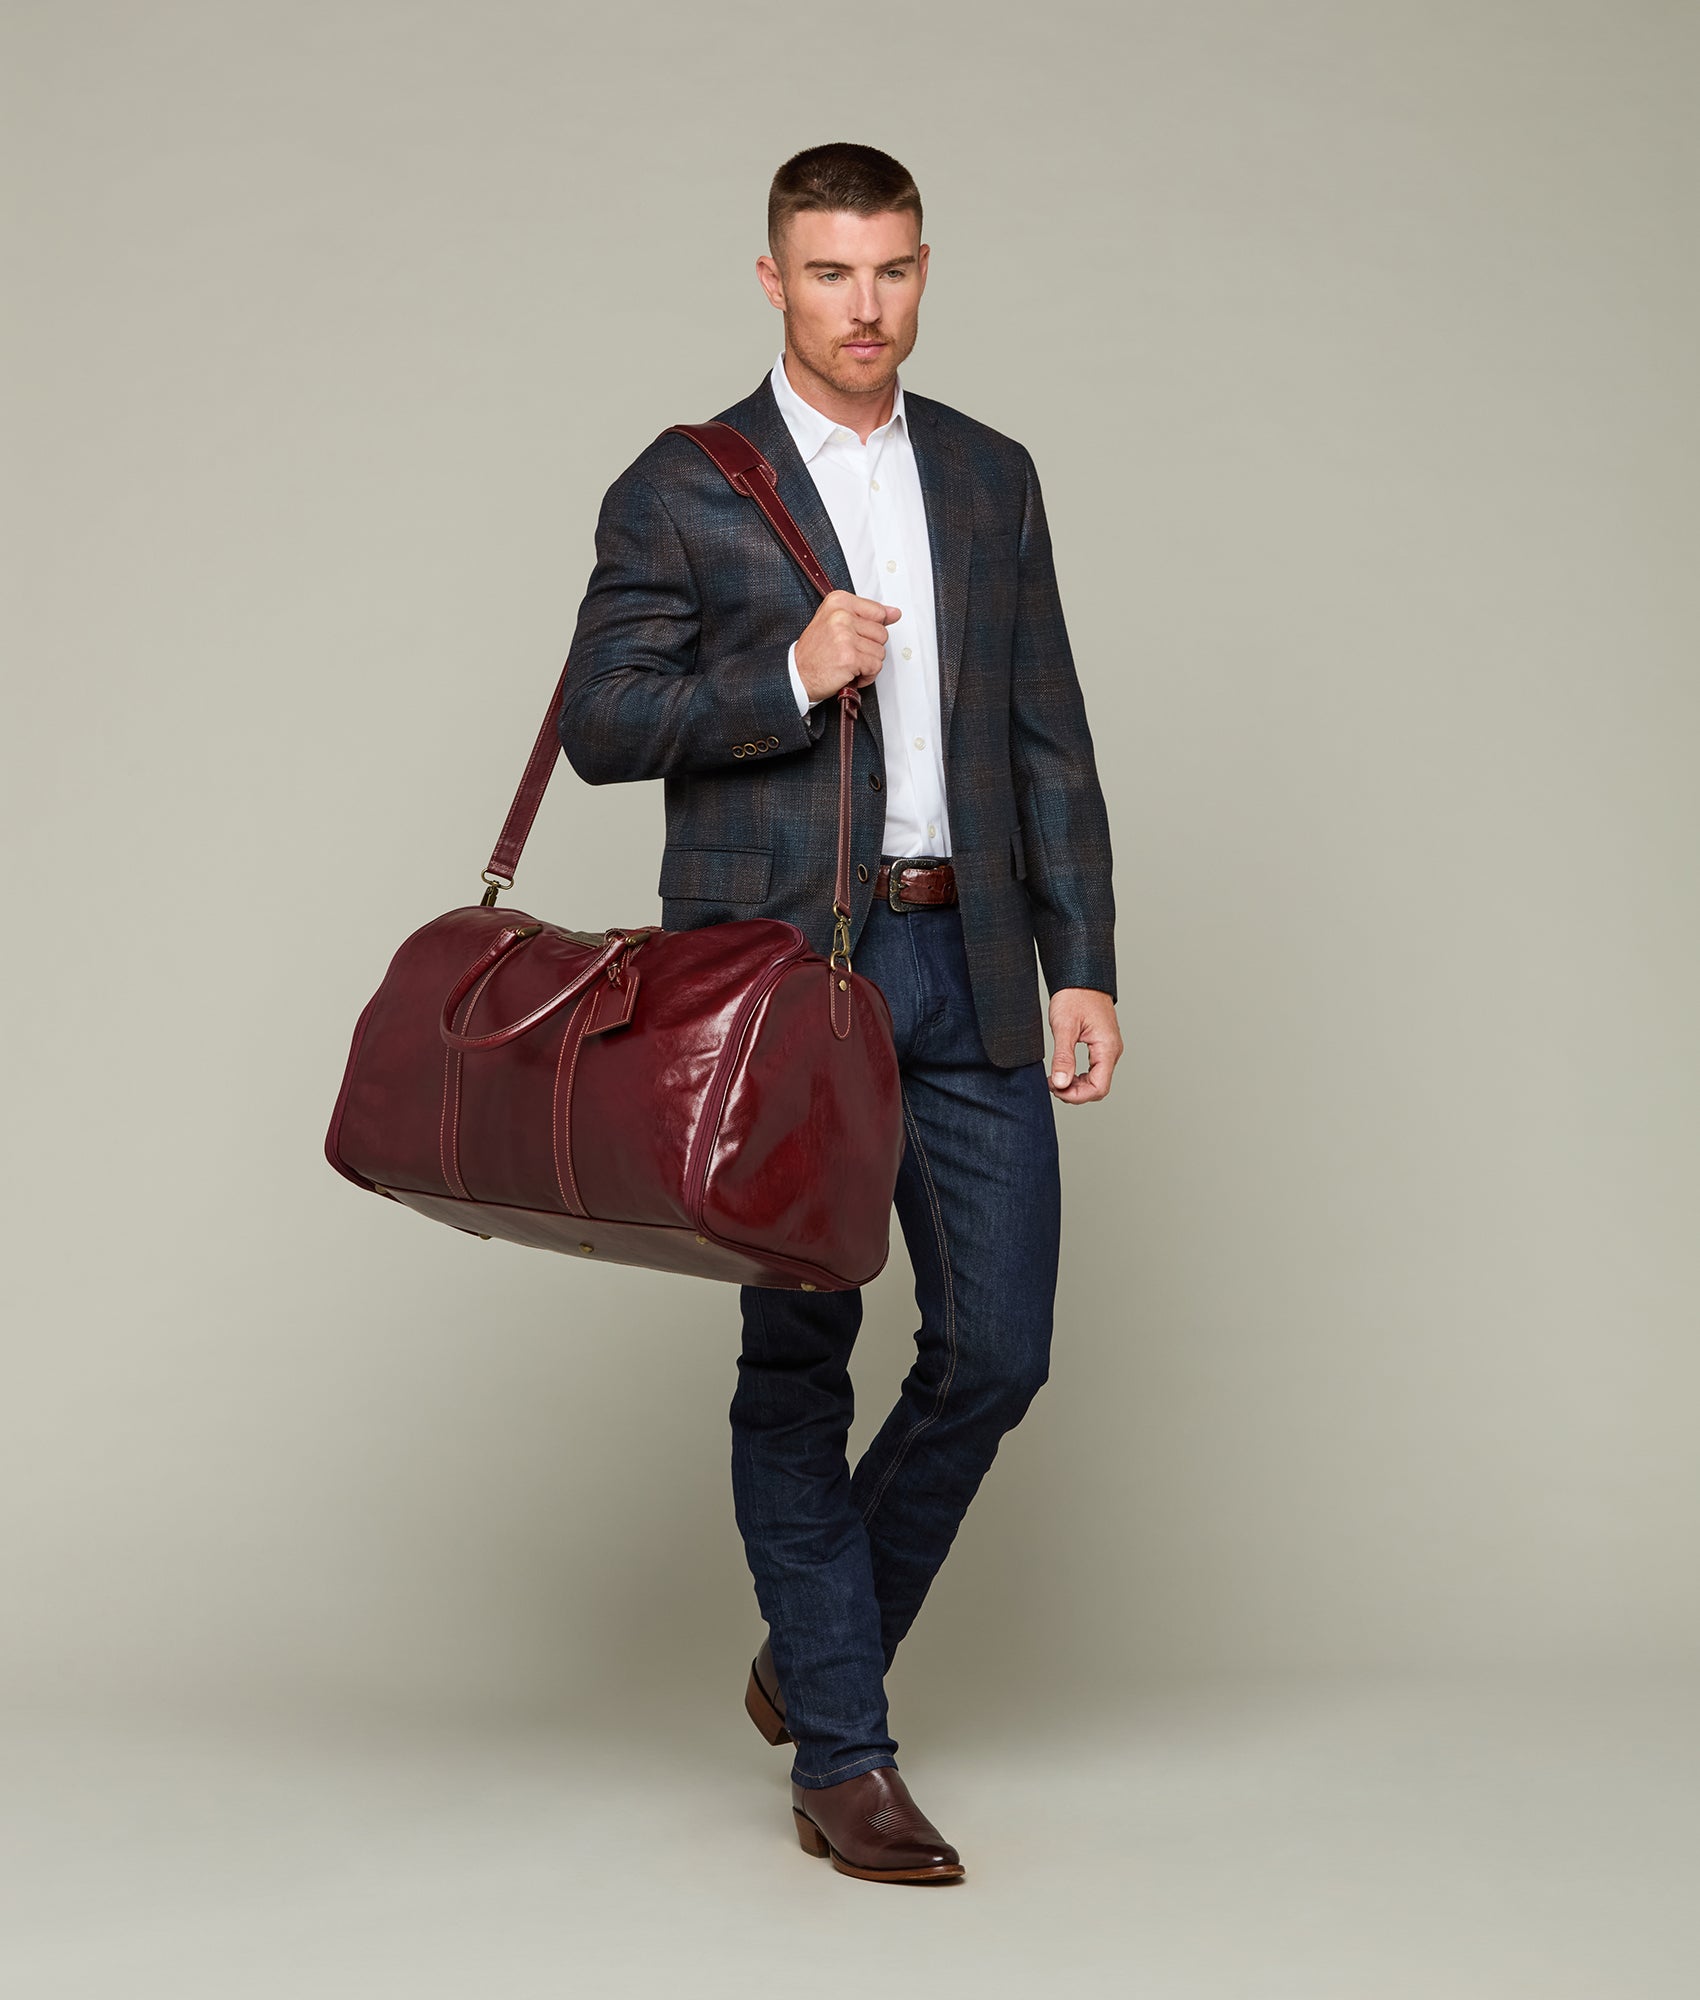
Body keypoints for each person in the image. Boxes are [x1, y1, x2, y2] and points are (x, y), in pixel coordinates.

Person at [558, 142, 1120, 1886]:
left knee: (997, 1350)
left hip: (969, 955)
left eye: (890, 271)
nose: (862, 307)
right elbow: (599, 719)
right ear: (773, 281)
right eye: (827, 273)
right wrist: (789, 675)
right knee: (800, 1359)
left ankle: (816, 1649)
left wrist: (1085, 959)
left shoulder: (990, 474)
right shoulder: (684, 484)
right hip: (783, 982)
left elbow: (1047, 734)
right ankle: (847, 1755)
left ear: (922, 273)